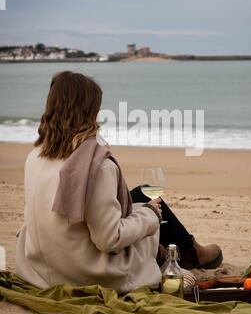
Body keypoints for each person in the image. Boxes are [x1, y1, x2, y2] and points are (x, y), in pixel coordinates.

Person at [16, 71, 222, 293]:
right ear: (90, 111)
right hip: (84, 271)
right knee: (149, 208)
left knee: (141, 194)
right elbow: (109, 240)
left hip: (43, 267)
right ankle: (189, 252)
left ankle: (187, 251)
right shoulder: (98, 166)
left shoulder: (35, 157)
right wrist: (151, 216)